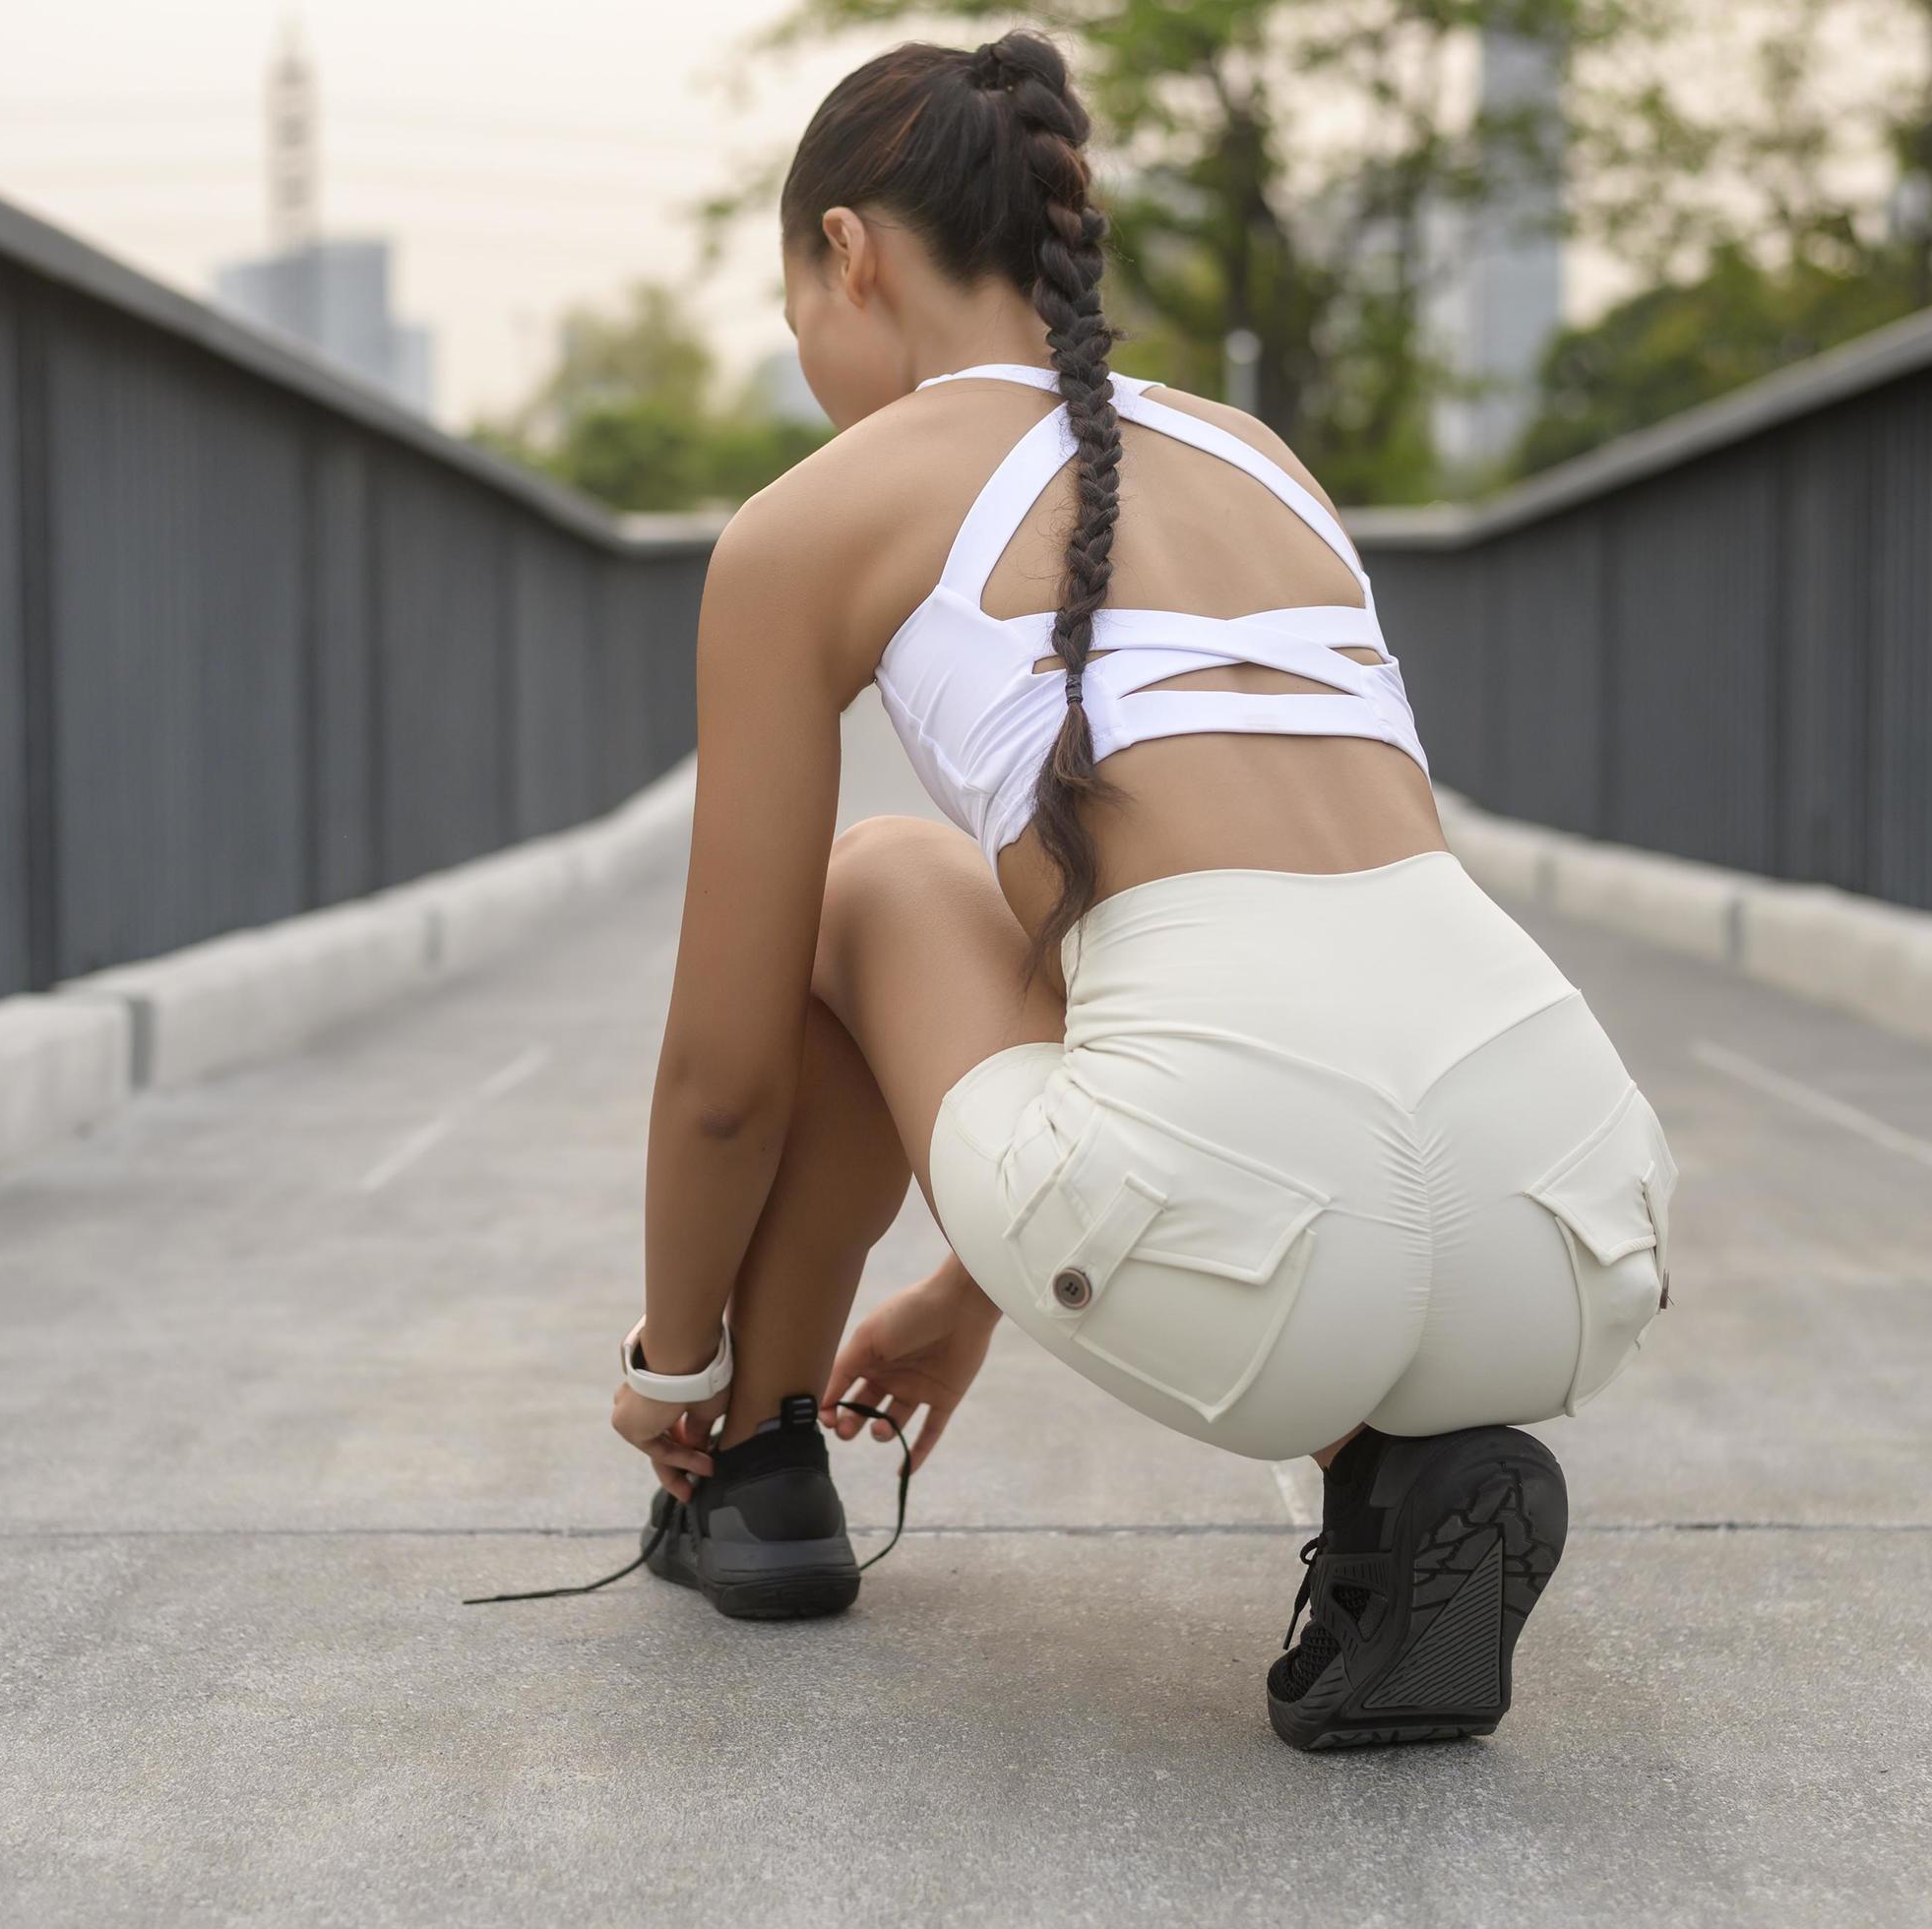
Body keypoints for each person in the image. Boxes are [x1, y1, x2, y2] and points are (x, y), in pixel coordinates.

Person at [608, 31, 1677, 1751]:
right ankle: (1401, 1487)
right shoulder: (1263, 460)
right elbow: (1261, 973)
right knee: (1167, 976)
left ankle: (749, 1472)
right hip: (1565, 1205)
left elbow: (724, 1078)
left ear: (848, 254)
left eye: (789, 295)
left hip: (1248, 1238)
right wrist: (976, 1288)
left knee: (878, 876)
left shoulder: (810, 525)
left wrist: (670, 1364)